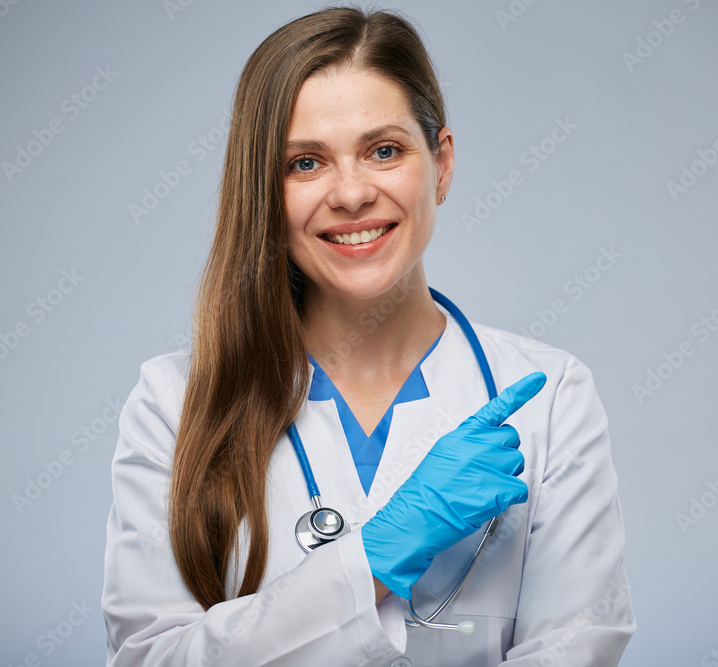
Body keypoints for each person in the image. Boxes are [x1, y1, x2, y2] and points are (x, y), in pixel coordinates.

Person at [101, 6, 635, 665]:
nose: (351, 194)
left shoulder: (552, 397)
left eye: (384, 150)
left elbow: (573, 649)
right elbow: (152, 660)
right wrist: (377, 553)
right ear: (264, 190)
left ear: (440, 164)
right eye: (305, 162)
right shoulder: (174, 402)